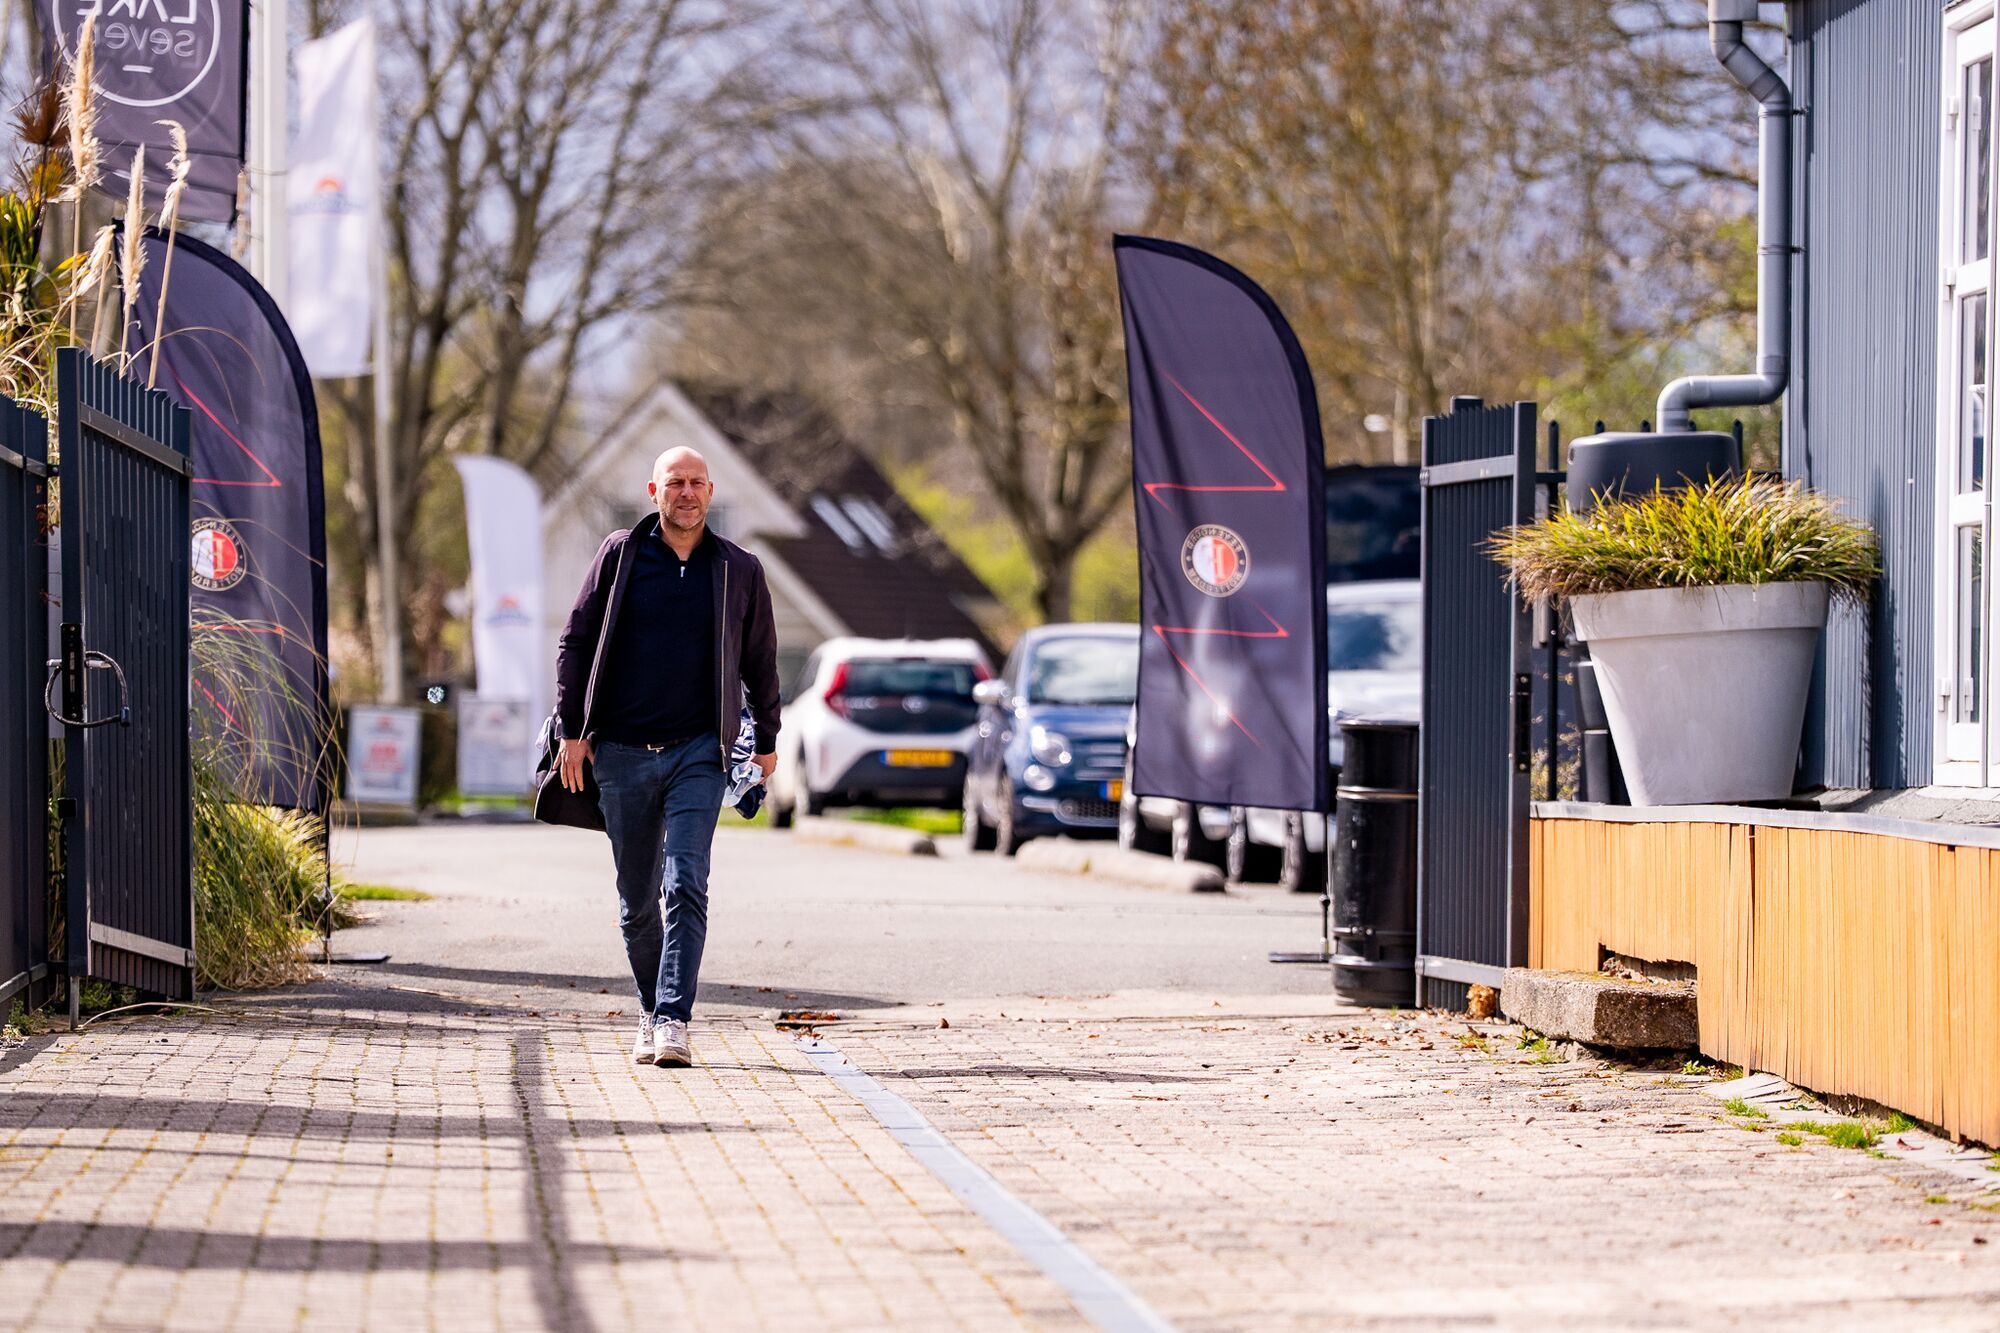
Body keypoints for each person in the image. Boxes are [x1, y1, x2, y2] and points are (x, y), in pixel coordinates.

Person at [553, 446, 780, 1067]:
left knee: (687, 881)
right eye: (675, 482)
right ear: (654, 490)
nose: (686, 493)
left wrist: (766, 742)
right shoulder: (621, 556)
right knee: (636, 899)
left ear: (711, 492)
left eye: (697, 483)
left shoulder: (739, 570)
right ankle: (653, 1011)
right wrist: (574, 731)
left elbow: (761, 662)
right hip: (621, 753)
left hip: (698, 752)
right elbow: (575, 641)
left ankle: (674, 1019)